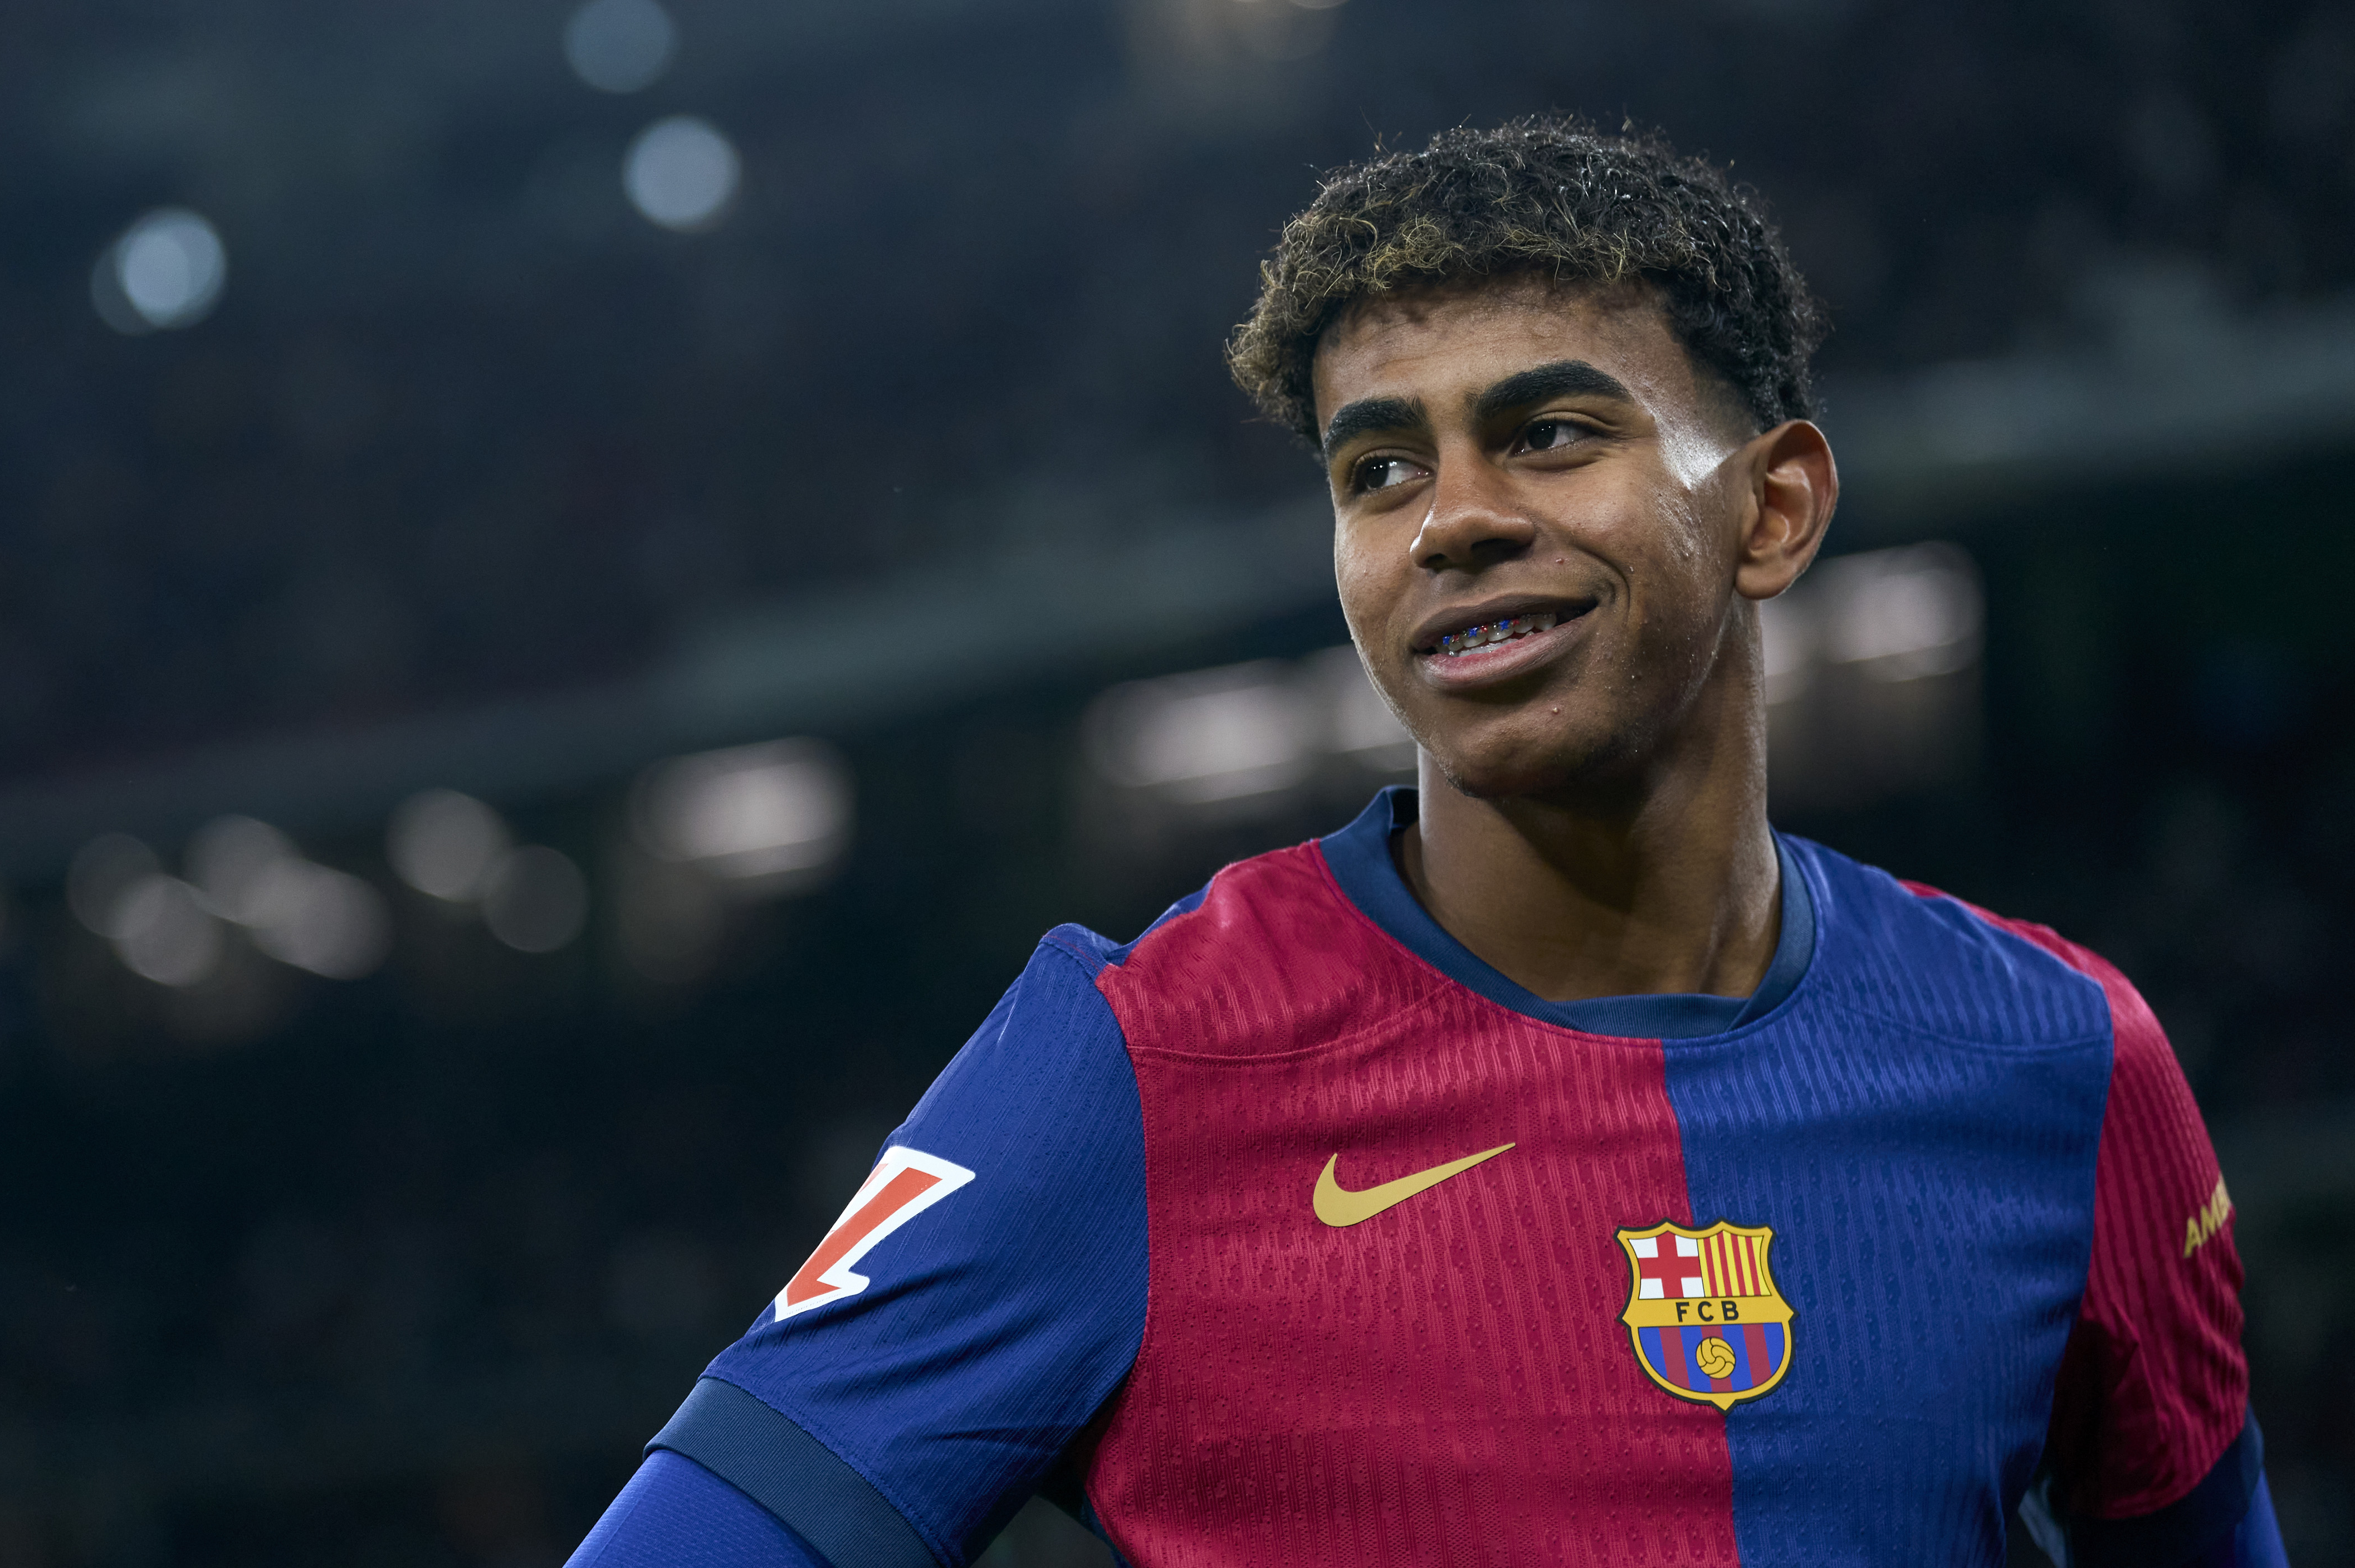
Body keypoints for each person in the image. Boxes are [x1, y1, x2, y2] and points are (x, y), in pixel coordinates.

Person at [567, 120, 2286, 1567]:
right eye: (1379, 470)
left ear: (1772, 510)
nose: (1453, 521)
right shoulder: (1130, 1070)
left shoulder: (2067, 1066)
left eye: (1549, 433)